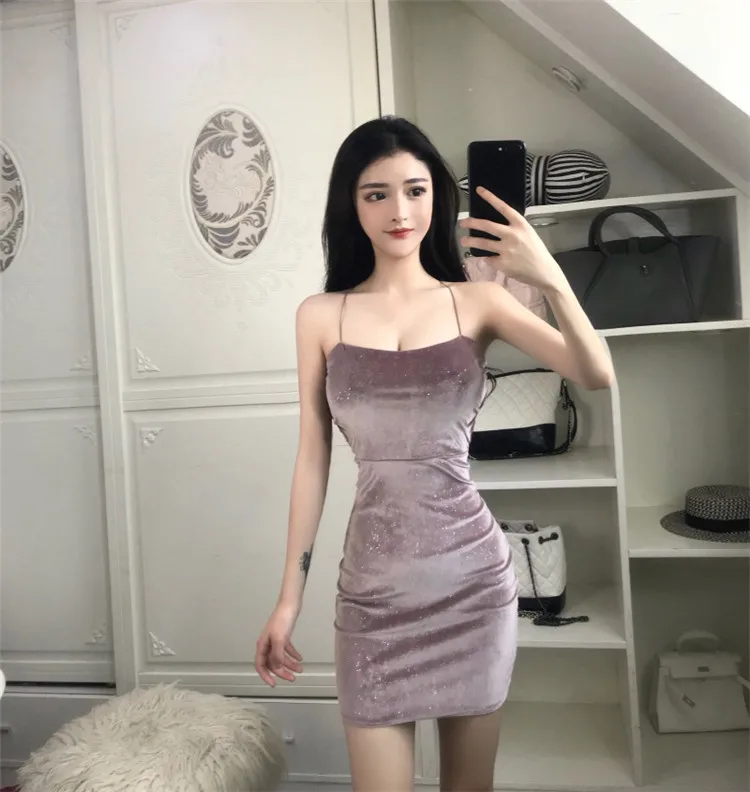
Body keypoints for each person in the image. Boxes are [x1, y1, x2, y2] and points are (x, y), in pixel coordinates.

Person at [255, 116, 614, 791]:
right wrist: (287, 600)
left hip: (472, 590)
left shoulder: (479, 301)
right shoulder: (320, 315)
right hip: (372, 598)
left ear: (437, 199)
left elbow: (595, 373)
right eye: (377, 194)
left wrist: (548, 276)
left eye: (415, 191)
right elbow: (312, 458)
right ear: (351, 205)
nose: (400, 211)